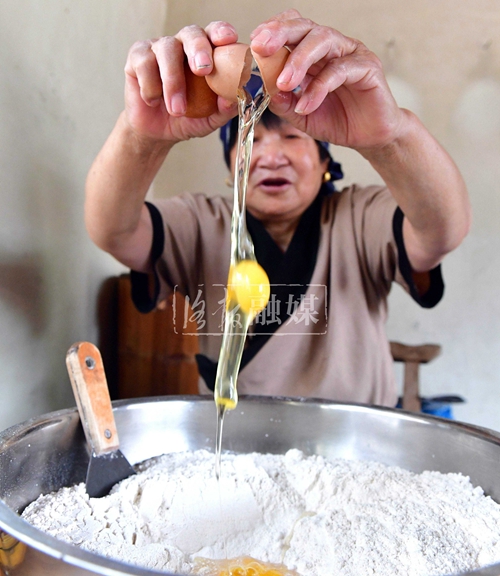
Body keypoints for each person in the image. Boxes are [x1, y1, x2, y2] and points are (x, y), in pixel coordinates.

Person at [85, 10, 471, 406]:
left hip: (353, 448)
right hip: (233, 449)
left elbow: (440, 232)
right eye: (253, 140)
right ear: (231, 170)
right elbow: (114, 231)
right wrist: (141, 137)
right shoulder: (204, 223)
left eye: (291, 136)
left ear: (326, 164)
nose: (270, 156)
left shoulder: (357, 218)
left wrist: (389, 138)